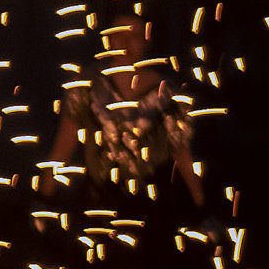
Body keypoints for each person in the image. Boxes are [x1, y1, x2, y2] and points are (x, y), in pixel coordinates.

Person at [53, 13, 202, 208]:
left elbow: (180, 149)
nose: (126, 43)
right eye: (120, 35)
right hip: (100, 199)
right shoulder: (86, 85)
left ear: (145, 41)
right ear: (108, 39)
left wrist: (200, 201)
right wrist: (45, 197)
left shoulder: (166, 92)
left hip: (153, 200)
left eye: (135, 37)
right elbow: (65, 141)